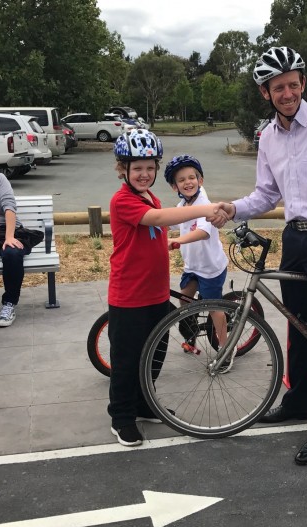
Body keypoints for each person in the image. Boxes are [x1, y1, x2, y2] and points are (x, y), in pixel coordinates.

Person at [213, 46, 307, 465]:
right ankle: (298, 399)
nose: (287, 93)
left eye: (293, 84)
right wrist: (234, 208)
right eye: (278, 87)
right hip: (295, 239)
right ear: (265, 92)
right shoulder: (268, 137)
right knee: (299, 327)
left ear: (303, 84)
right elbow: (266, 193)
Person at [108, 130, 225, 446]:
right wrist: (204, 209)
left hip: (156, 293)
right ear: (124, 170)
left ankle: (145, 403)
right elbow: (159, 218)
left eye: (149, 168)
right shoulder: (123, 201)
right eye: (137, 169)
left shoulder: (151, 196)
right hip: (130, 296)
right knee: (127, 360)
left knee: (155, 352)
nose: (144, 174)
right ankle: (121, 418)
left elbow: (161, 217)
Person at [164, 154, 233, 367]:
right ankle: (191, 333)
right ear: (174, 187)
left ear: (200, 180)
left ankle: (226, 350)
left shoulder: (207, 206)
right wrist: (158, 227)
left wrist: (177, 241)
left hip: (211, 268)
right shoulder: (182, 206)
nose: (188, 182)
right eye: (182, 180)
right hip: (193, 266)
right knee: (185, 300)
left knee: (214, 307)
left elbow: (203, 232)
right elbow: (172, 222)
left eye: (192, 177)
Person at [0, 147, 30, 329]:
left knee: (12, 254)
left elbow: (9, 207)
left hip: (6, 230)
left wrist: (9, 236)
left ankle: (9, 304)